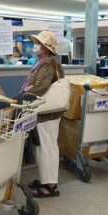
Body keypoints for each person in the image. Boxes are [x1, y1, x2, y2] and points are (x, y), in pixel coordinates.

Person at [20, 31, 65, 198]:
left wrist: (26, 92)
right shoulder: (46, 62)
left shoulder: (47, 63)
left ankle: (50, 185)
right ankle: (45, 179)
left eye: (38, 43)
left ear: (46, 47)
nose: (35, 45)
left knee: (46, 148)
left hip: (46, 113)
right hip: (48, 113)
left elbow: (42, 85)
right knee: (44, 147)